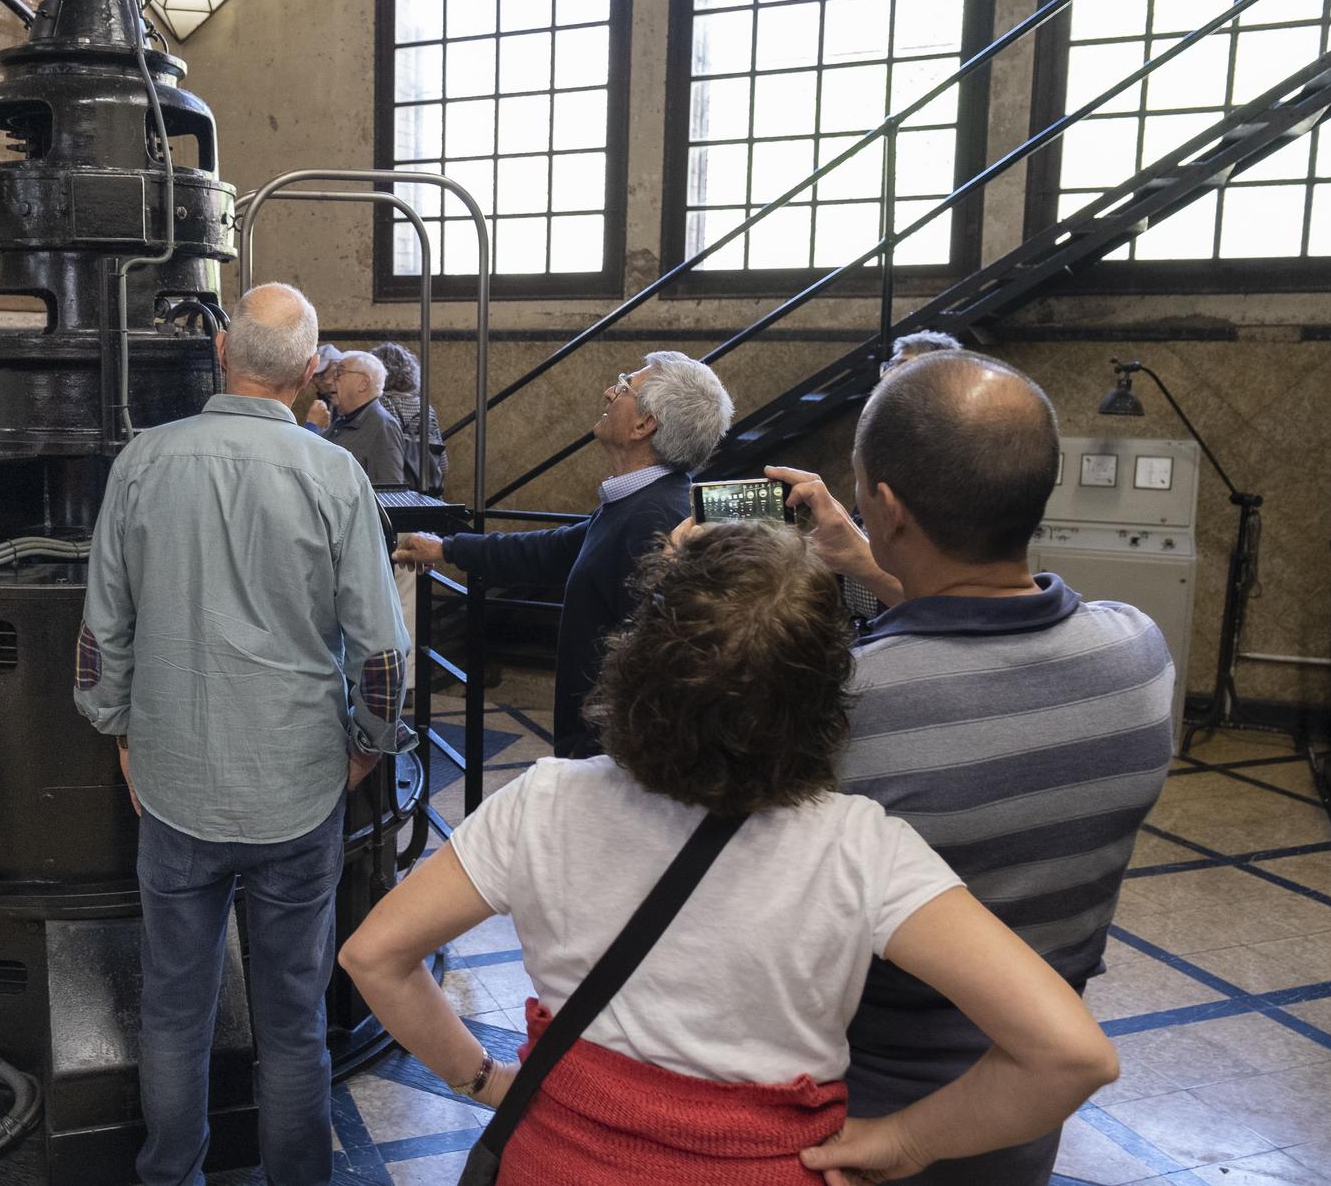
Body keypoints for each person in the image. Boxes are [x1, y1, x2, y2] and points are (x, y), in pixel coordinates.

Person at [341, 523, 1121, 1185]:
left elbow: (375, 954)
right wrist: (902, 1141)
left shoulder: (544, 801)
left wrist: (481, 1077)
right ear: (825, 689)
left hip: (553, 1157)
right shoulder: (859, 847)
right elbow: (1067, 1054)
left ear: (639, 659)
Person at [760, 351, 1175, 1186]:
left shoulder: (842, 705)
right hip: (1021, 1113)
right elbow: (983, 616)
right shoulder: (1142, 653)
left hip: (861, 1125)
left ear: (886, 507)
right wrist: (874, 561)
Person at [74, 283, 413, 1186]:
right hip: (302, 790)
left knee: (175, 1014)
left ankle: (169, 1174)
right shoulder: (335, 475)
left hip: (174, 790)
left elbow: (101, 635)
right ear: (310, 374)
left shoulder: (142, 463)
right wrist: (365, 747)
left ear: (221, 356)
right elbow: (381, 652)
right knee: (293, 1019)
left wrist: (119, 731)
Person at [393, 352, 732, 759]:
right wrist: (447, 547)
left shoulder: (656, 519)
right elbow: (553, 551)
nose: (610, 391)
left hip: (610, 757)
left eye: (624, 386)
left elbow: (655, 672)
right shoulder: (637, 503)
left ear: (645, 424)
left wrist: (598, 763)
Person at [842, 331, 965, 625]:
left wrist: (859, 562)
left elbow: (952, 610)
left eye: (903, 366)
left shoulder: (955, 469)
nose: (889, 375)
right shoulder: (886, 450)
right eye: (891, 364)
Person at [322, 350, 412, 488]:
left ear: (363, 383)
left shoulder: (383, 426)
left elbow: (389, 491)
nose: (330, 381)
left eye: (339, 374)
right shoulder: (342, 421)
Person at [372, 340, 447, 495]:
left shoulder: (377, 406)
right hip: (425, 492)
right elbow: (443, 463)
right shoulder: (426, 408)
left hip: (390, 493)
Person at [293, 342, 342, 433]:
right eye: (314, 376)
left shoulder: (348, 403)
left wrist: (313, 425)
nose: (317, 381)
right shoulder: (325, 400)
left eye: (323, 374)